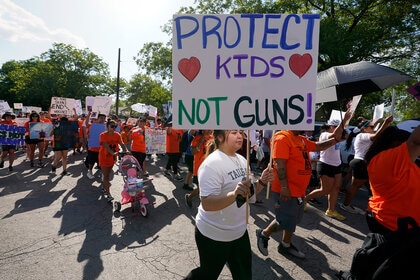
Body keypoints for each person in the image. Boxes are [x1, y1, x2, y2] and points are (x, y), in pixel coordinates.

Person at [184, 130, 273, 280]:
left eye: (240, 132)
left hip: (239, 231)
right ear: (219, 137)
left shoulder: (242, 160)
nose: (240, 136)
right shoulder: (211, 164)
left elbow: (248, 193)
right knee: (207, 275)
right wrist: (233, 195)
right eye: (233, 132)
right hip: (214, 234)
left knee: (244, 276)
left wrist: (262, 181)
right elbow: (207, 204)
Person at [255, 128, 344, 258]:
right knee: (285, 220)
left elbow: (318, 146)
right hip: (286, 191)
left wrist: (335, 140)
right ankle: (264, 234)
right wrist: (284, 187)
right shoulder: (283, 138)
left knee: (293, 220)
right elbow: (280, 164)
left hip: (299, 191)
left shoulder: (300, 139)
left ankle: (285, 245)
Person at [364, 125, 420, 234]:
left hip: (402, 225)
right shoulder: (386, 160)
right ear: (396, 144)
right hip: (396, 228)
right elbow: (415, 143)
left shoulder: (400, 163)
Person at [304, 111, 352, 221]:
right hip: (325, 164)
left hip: (337, 165)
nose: (337, 128)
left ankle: (331, 210)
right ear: (330, 126)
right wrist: (344, 121)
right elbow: (334, 136)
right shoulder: (324, 134)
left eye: (338, 126)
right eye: (335, 126)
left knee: (335, 188)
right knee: (324, 190)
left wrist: (345, 131)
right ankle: (304, 199)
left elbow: (341, 138)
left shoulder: (338, 135)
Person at [340, 115, 393, 214]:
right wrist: (386, 123)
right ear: (364, 129)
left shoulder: (365, 135)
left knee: (367, 185)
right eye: (372, 127)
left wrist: (378, 123)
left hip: (363, 163)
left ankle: (376, 206)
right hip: (361, 163)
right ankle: (346, 205)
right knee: (355, 186)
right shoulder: (362, 135)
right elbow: (376, 136)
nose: (374, 129)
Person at [98, 119, 129, 202]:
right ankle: (108, 194)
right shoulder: (103, 135)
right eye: (112, 126)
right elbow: (105, 145)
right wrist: (112, 153)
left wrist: (126, 150)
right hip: (104, 157)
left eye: (115, 126)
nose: (114, 128)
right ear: (107, 126)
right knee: (107, 176)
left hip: (113, 158)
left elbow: (122, 144)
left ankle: (104, 185)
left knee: (107, 174)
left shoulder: (117, 135)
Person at [185, 129, 213, 208]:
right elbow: (193, 152)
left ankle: (193, 198)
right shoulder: (197, 138)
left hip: (210, 168)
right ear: (203, 130)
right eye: (207, 129)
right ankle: (191, 197)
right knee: (203, 188)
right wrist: (201, 142)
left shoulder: (212, 139)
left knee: (205, 188)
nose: (209, 130)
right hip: (199, 169)